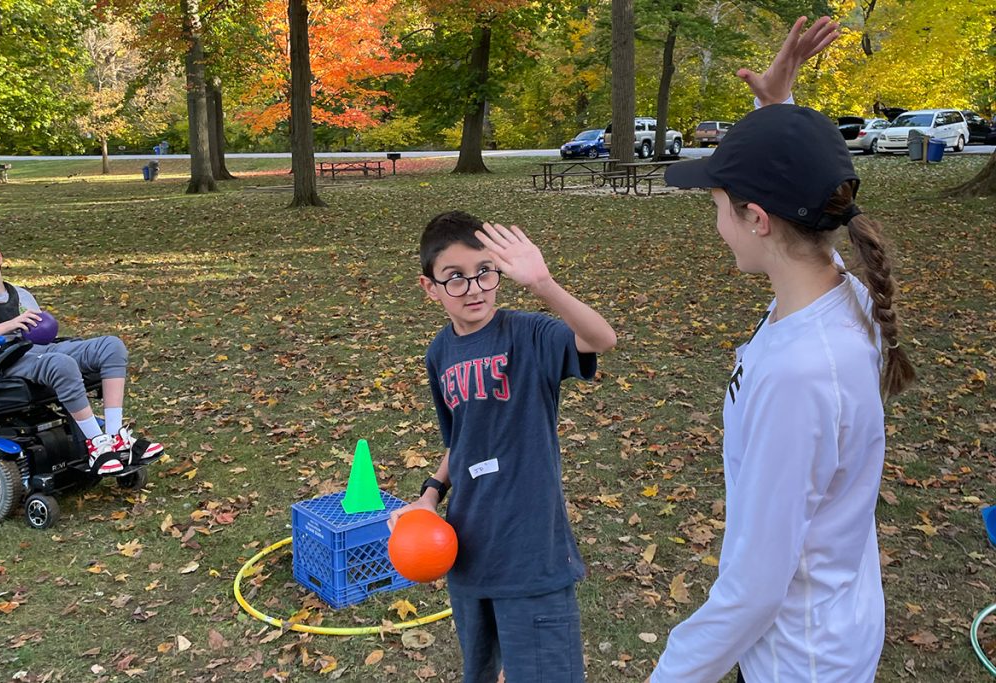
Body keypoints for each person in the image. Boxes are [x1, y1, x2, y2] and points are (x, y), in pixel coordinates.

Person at [646, 19, 916, 683]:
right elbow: (806, 180)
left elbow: (754, 588)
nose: (716, 225)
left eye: (718, 205)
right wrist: (777, 107)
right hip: (828, 628)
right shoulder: (842, 291)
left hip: (800, 659)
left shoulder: (798, 371)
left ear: (757, 218)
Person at [389, 211, 617, 683]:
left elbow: (602, 339)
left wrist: (545, 284)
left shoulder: (530, 334)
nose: (473, 288)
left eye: (484, 273)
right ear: (429, 287)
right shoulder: (439, 354)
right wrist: (429, 495)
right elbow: (460, 440)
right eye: (454, 278)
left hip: (531, 555)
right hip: (466, 555)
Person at [0, 231, 164, 475]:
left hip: (38, 350)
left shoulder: (22, 295)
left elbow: (40, 336)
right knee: (60, 363)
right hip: (2, 363)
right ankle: (97, 444)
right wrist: (9, 325)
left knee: (111, 346)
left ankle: (115, 437)